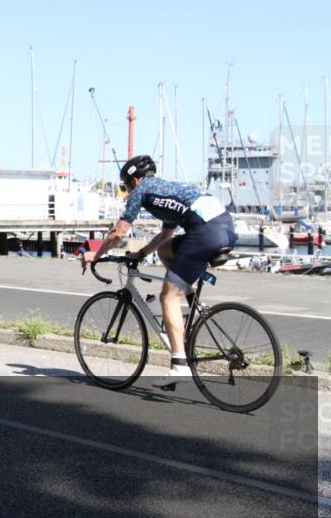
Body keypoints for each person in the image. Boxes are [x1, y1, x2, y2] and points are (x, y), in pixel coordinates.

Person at [82, 155, 236, 387]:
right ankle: (191, 297)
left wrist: (96, 254)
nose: (127, 191)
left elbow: (118, 233)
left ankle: (179, 366)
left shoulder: (141, 191)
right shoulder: (166, 190)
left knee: (167, 297)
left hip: (205, 233)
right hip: (225, 227)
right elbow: (166, 236)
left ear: (134, 180)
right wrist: (142, 253)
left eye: (125, 186)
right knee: (165, 250)